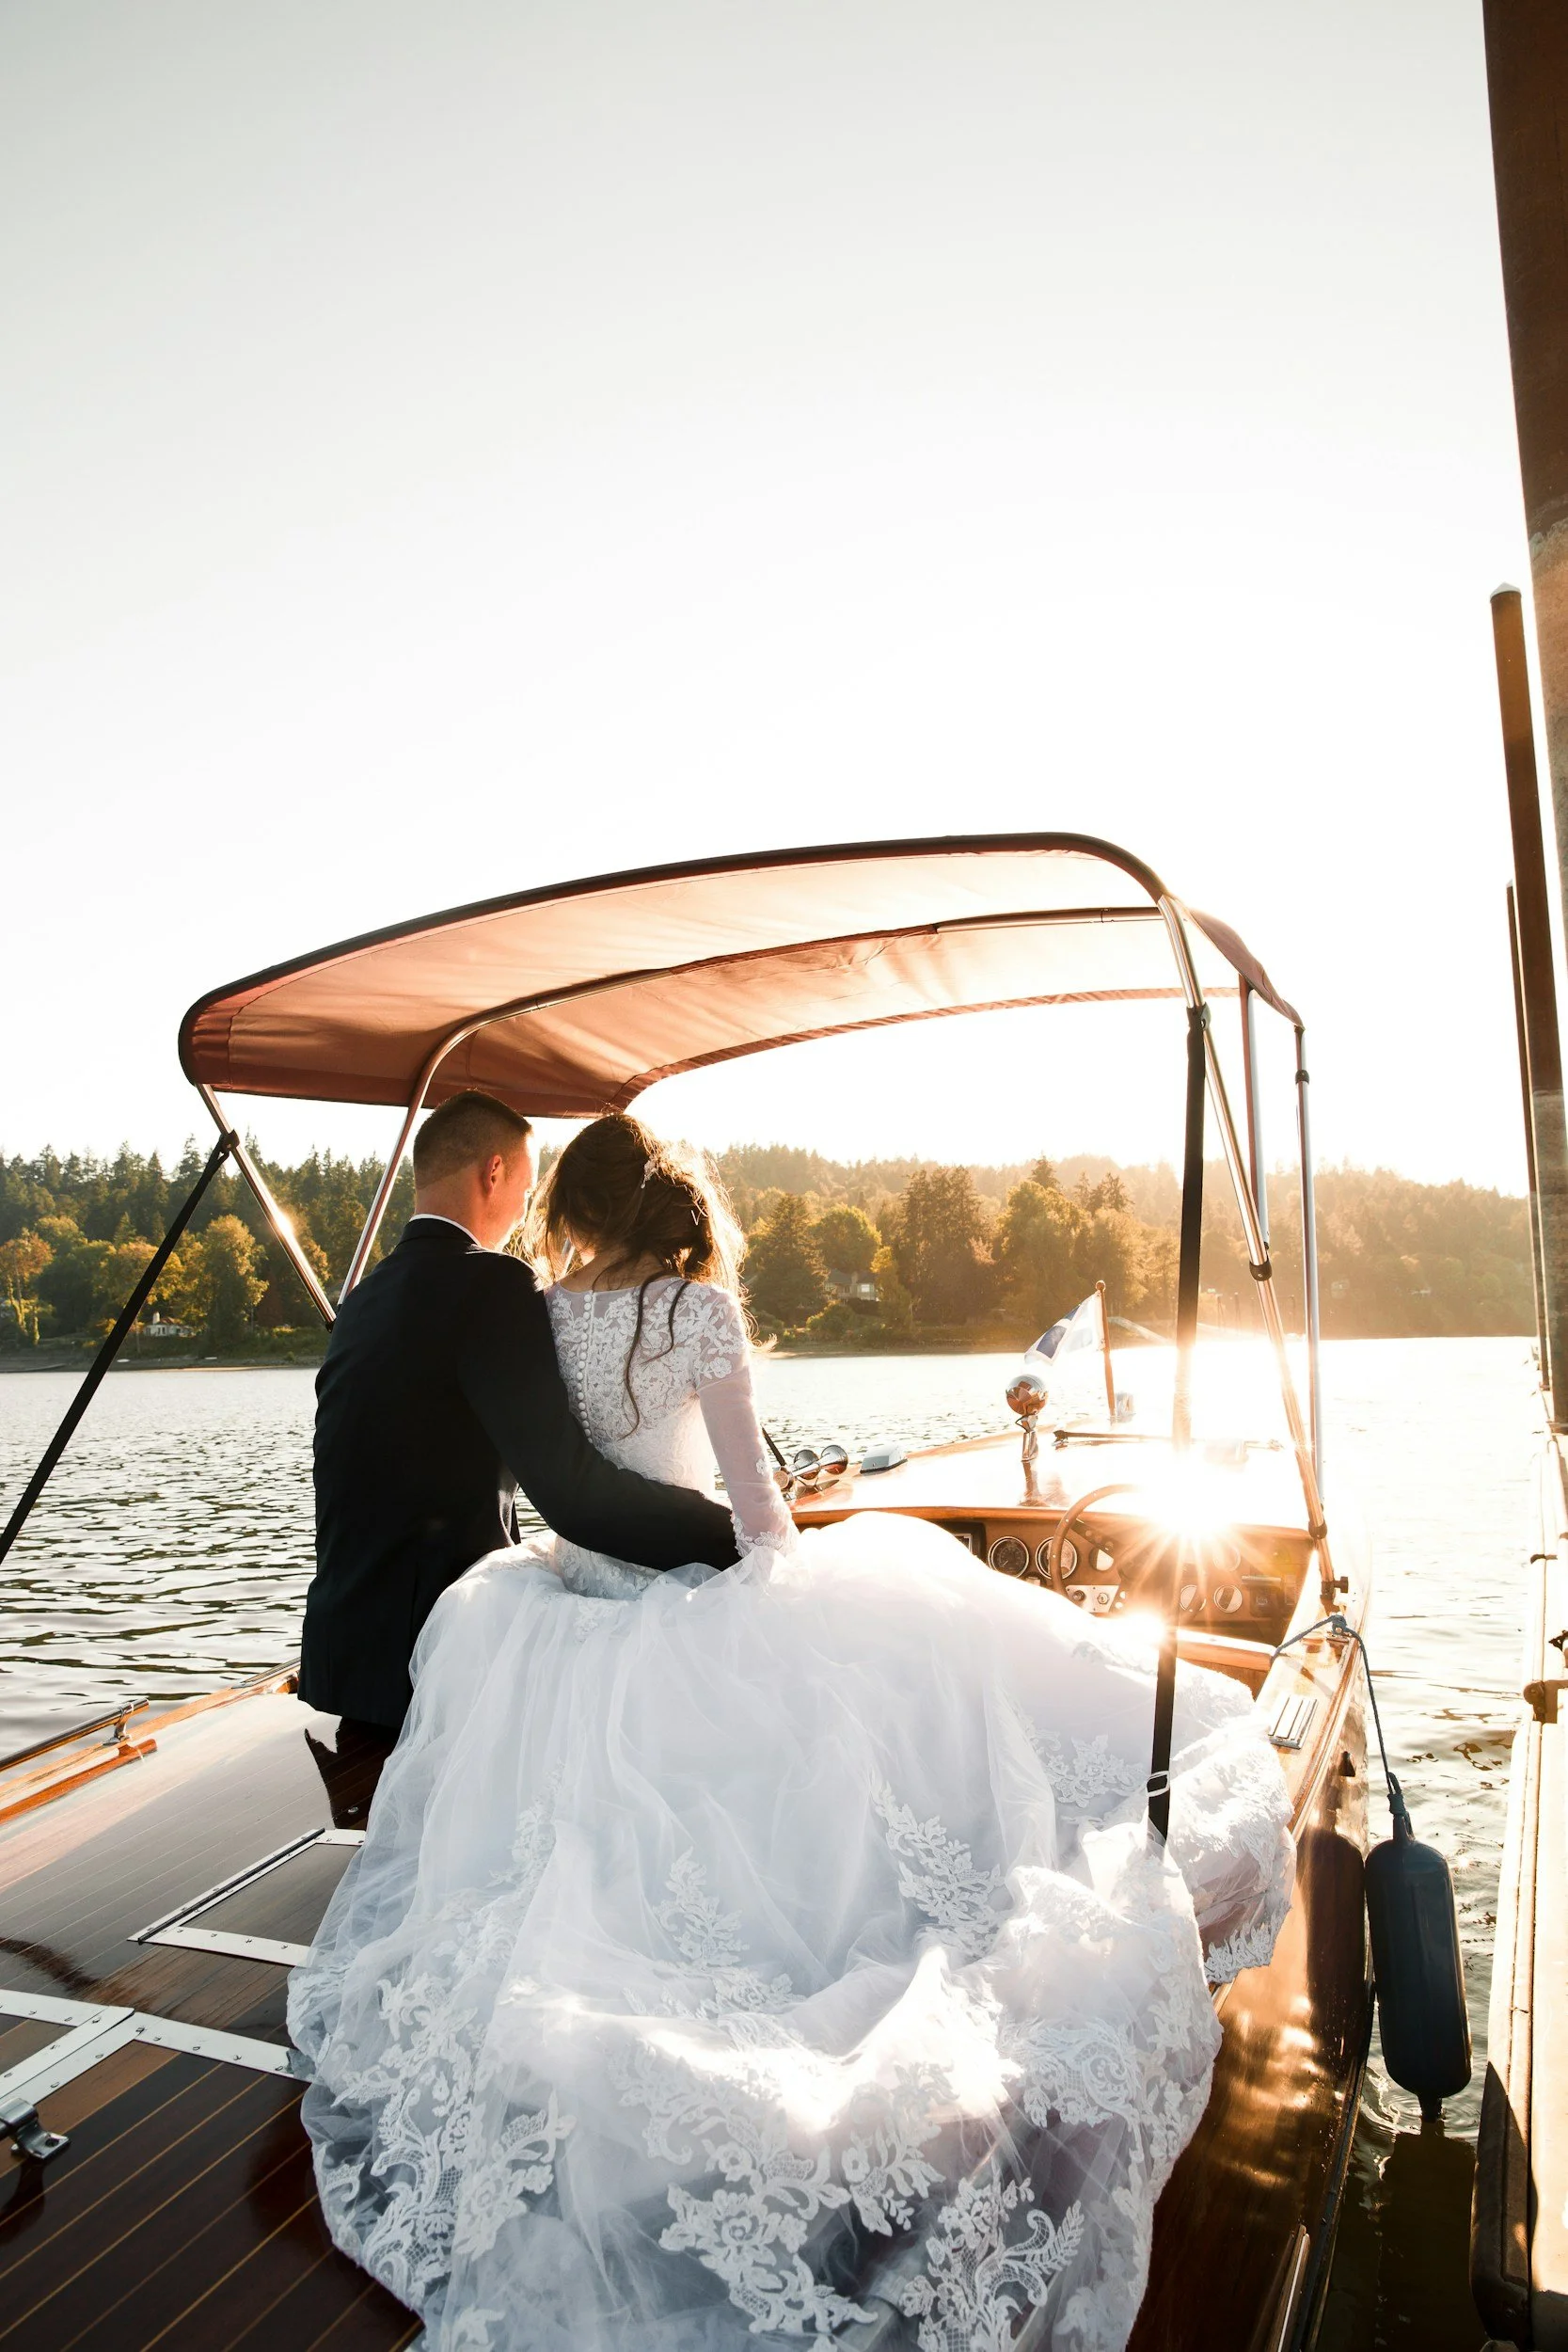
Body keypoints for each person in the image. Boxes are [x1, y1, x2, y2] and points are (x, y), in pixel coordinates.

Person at [290, 1114, 1293, 2352]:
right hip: (677, 1570)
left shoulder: (525, 1309)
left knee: (599, 1845)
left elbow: (554, 1478)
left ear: (573, 1210)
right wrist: (759, 1553)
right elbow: (747, 1507)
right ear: (671, 1208)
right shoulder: (691, 1314)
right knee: (890, 1694)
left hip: (550, 1605)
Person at [301, 1091, 737, 1732]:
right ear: (494, 1172)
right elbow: (572, 1498)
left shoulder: (364, 1298)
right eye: (528, 1189)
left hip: (343, 1658)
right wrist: (736, 1541)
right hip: (440, 1657)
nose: (527, 1210)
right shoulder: (492, 1284)